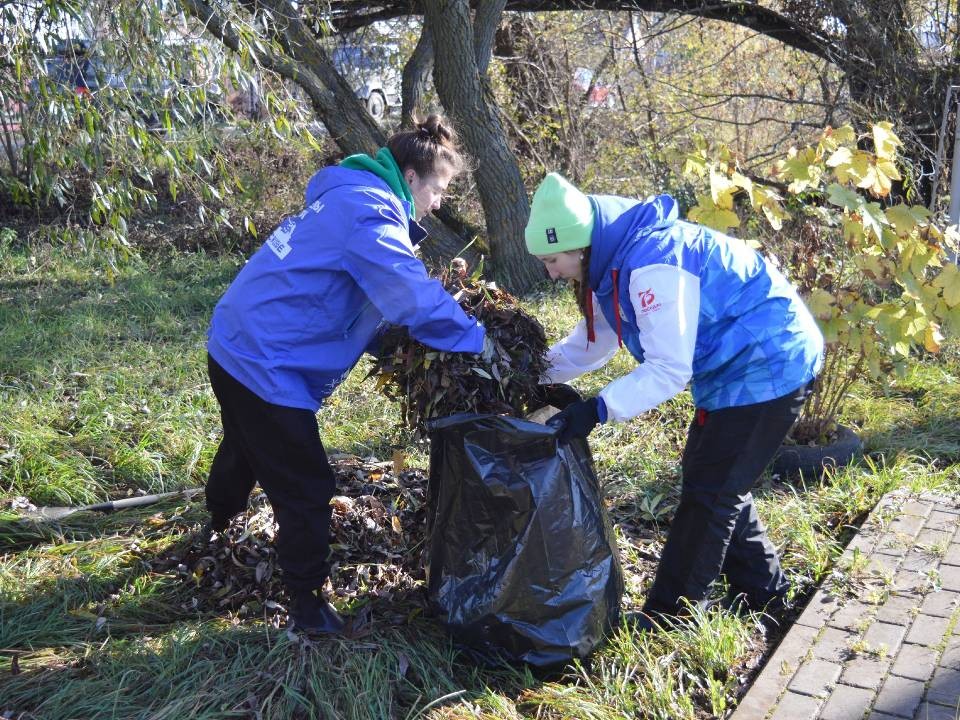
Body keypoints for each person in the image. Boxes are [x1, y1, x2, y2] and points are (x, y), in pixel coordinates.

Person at [204, 115, 487, 635]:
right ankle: (307, 607)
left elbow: (346, 294)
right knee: (308, 485)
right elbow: (407, 292)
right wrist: (476, 339)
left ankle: (217, 528)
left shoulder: (351, 196)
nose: (440, 202)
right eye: (439, 189)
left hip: (234, 344)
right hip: (266, 361)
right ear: (411, 174)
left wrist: (386, 344)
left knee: (246, 444)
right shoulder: (370, 212)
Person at [525, 172, 824, 628]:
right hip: (733, 365)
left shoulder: (651, 265)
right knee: (714, 477)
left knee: (710, 490)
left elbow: (668, 367)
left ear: (581, 246)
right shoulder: (610, 264)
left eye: (554, 260)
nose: (551, 272)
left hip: (769, 360)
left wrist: (597, 409)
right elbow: (590, 345)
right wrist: (526, 374)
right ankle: (765, 592)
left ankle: (671, 617)